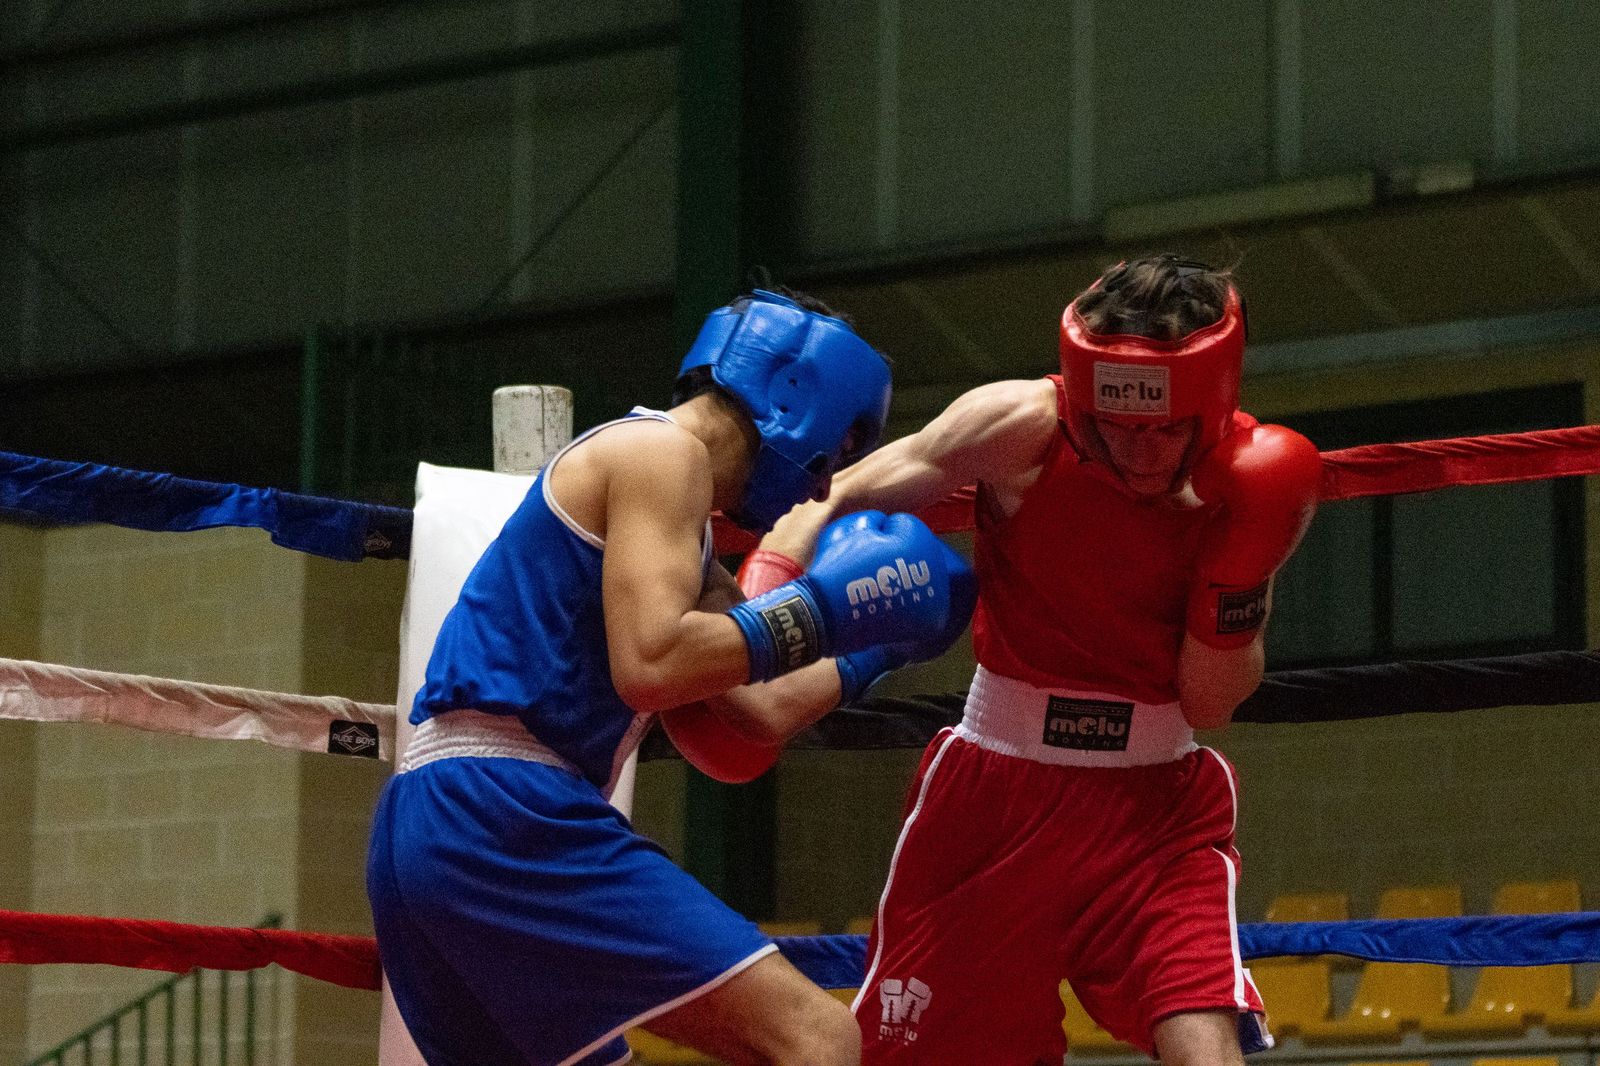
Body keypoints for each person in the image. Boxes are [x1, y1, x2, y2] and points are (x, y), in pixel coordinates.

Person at [366, 287, 975, 1066]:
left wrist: (881, 639)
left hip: (429, 825)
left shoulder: (681, 536)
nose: (823, 485)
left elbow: (758, 707)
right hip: (507, 811)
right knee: (815, 1037)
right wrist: (826, 606)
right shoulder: (662, 452)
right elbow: (651, 664)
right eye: (840, 449)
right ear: (794, 395)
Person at [753, 256, 1323, 1065]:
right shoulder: (1021, 426)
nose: (1143, 448)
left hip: (1156, 807)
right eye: (1121, 423)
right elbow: (836, 499)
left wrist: (1242, 574)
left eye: (1166, 426)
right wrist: (767, 599)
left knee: (1207, 1048)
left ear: (1213, 399)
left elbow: (1211, 703)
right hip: (997, 798)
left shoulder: (1248, 483)